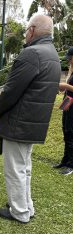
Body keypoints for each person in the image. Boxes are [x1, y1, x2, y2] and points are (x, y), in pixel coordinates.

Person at [0, 15, 61, 223]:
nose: (25, 34)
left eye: (25, 30)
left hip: (19, 123)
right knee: (24, 167)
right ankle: (26, 206)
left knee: (15, 169)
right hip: (33, 123)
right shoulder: (52, 54)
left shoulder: (31, 53)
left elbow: (11, 91)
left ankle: (19, 211)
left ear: (31, 30)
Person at [54, 47, 73, 175]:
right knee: (66, 132)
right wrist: (64, 89)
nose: (69, 61)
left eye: (70, 58)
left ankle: (71, 165)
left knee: (71, 134)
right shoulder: (71, 71)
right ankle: (65, 160)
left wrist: (66, 86)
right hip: (68, 105)